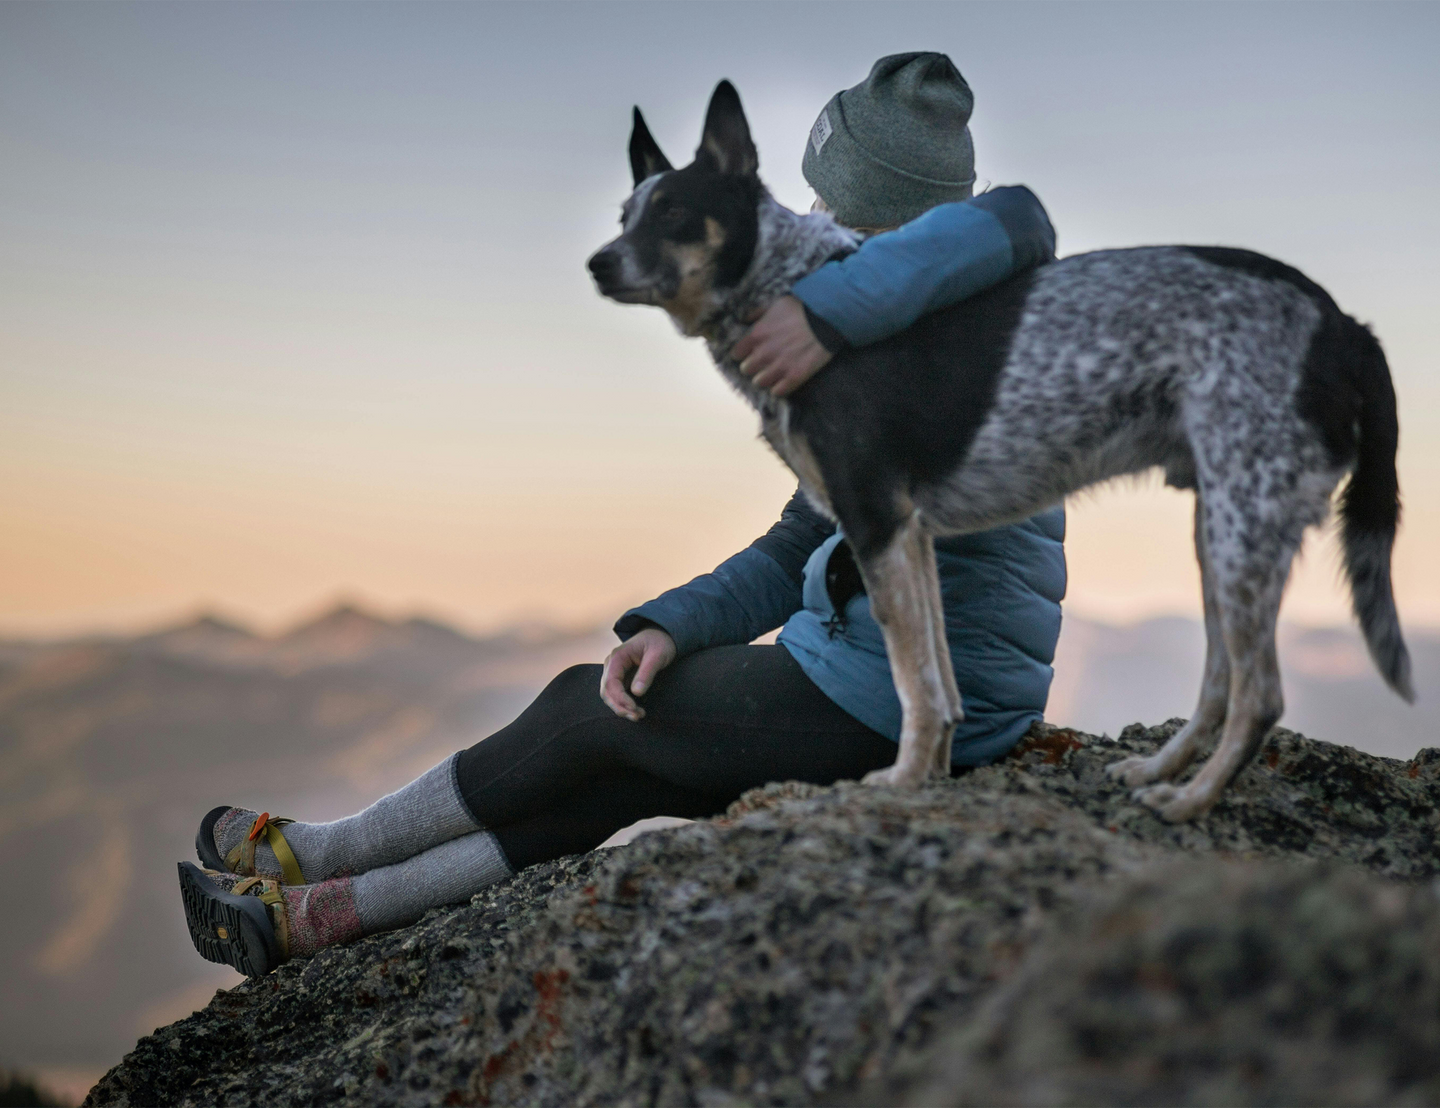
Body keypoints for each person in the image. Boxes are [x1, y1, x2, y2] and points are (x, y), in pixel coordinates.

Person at [179, 52, 1067, 977]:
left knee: (586, 713)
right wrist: (673, 625)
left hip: (914, 699)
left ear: (882, 219)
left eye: (825, 201)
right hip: (873, 671)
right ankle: (314, 920)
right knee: (617, 764)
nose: (804, 218)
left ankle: (318, 857)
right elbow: (801, 536)